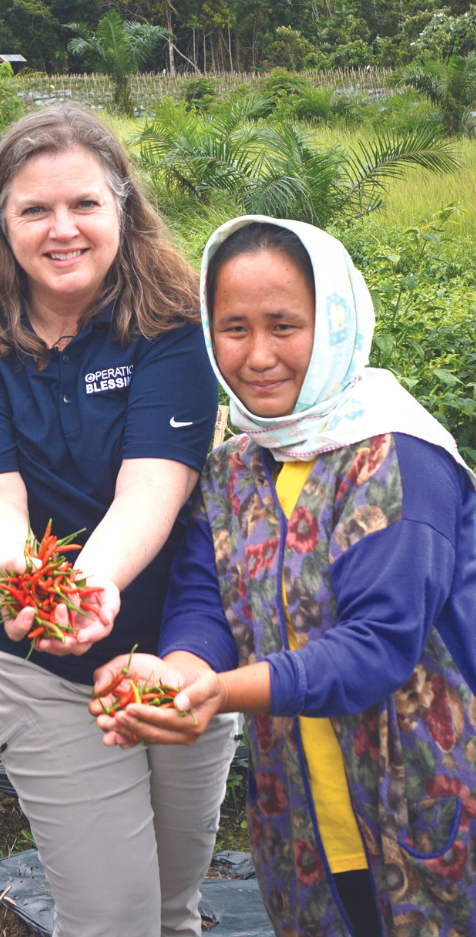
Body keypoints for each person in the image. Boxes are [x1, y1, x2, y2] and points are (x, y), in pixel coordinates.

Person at [91, 215, 476, 937]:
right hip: (303, 820)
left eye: (284, 326)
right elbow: (204, 603)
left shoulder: (398, 458)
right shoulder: (233, 469)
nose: (259, 355)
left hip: (428, 806)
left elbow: (378, 646)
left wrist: (223, 693)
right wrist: (179, 674)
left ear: (334, 325)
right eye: (234, 329)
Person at [0, 104, 238, 936]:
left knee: (172, 907)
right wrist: (34, 589)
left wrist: (87, 584)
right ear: (1, 221)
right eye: (35, 209)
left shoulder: (175, 324)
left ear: (122, 208)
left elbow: (153, 488)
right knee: (110, 915)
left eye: (84, 204)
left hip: (182, 650)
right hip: (44, 671)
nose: (62, 229)